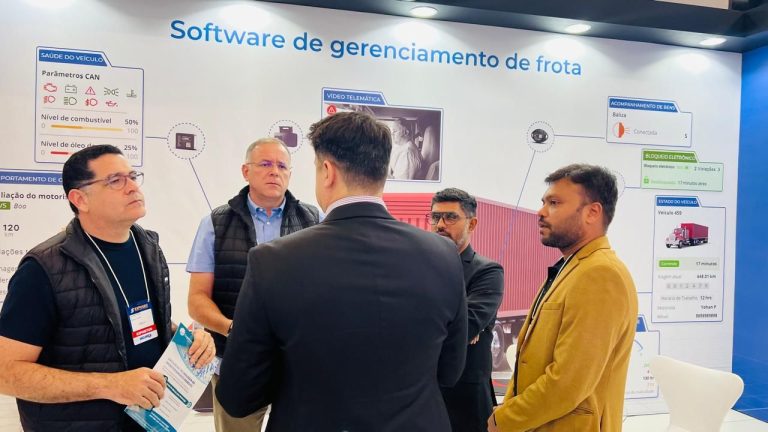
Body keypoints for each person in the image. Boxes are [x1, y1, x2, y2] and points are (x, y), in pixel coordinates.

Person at [216, 111, 468, 431]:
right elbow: (450, 372)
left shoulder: (272, 261)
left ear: (327, 171)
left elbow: (238, 394)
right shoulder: (444, 255)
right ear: (383, 171)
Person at [0, 145, 215, 432]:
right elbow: (6, 372)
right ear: (80, 199)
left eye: (133, 176)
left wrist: (187, 339)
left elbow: (138, 321)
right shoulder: (44, 268)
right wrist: (109, 385)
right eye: (115, 180)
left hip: (147, 421)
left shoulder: (148, 248)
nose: (132, 187)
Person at [489, 164, 638, 432]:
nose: (541, 212)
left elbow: (568, 383)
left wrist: (506, 419)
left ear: (592, 212)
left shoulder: (600, 274)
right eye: (543, 202)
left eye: (554, 203)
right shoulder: (572, 267)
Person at [186, 137, 319, 431]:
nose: (275, 172)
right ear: (246, 171)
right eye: (265, 164)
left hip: (298, 361)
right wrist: (234, 330)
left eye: (282, 166)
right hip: (236, 360)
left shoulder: (315, 220)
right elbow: (197, 300)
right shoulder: (215, 223)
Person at [431, 188, 504, 432]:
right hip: (425, 396)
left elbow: (468, 325)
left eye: (450, 217)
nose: (441, 224)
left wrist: (459, 327)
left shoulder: (487, 271)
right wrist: (455, 322)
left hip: (466, 402)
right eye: (435, 217)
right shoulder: (419, 267)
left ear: (472, 224)